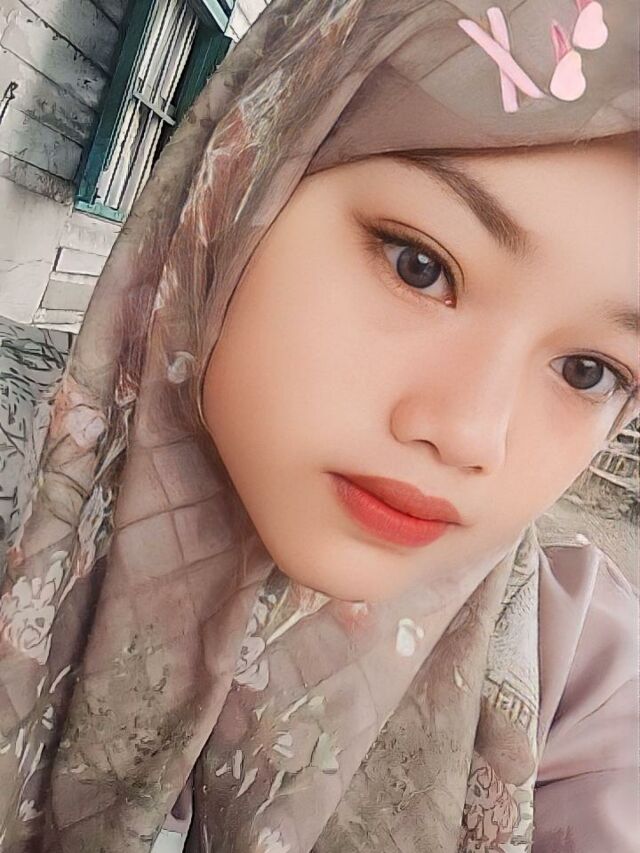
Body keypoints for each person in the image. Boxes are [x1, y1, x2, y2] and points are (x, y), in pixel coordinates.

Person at [0, 1, 637, 851]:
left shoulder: (582, 684)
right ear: (242, 180)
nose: (471, 435)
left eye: (589, 371)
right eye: (420, 266)